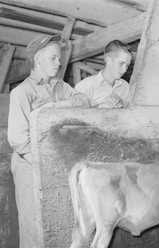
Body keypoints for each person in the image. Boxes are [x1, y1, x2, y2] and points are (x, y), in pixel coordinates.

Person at [7, 34, 90, 248]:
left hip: (56, 162)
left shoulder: (60, 86)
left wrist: (54, 107)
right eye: (53, 58)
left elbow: (84, 101)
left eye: (60, 58)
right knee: (34, 224)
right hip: (30, 164)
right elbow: (18, 139)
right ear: (37, 59)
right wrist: (44, 165)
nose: (59, 62)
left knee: (59, 221)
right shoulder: (22, 93)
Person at [75, 39, 132, 108]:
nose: (124, 69)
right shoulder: (85, 86)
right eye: (121, 63)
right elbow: (74, 115)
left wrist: (122, 103)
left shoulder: (126, 87)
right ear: (108, 60)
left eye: (127, 65)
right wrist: (99, 107)